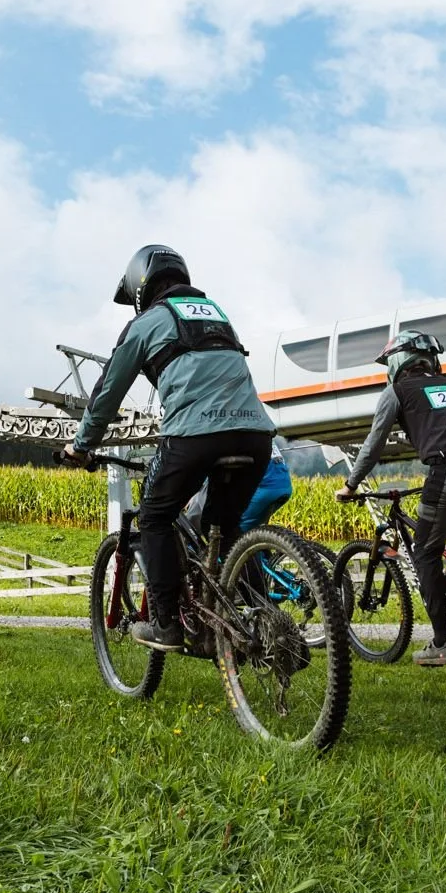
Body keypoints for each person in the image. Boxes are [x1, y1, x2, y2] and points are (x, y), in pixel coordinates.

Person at [62, 245, 275, 651]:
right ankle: (263, 621)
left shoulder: (146, 323)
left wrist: (81, 445)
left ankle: (166, 624)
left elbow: (108, 392)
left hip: (195, 436)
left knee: (155, 517)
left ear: (140, 286)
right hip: (256, 435)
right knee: (224, 526)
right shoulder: (217, 314)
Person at [337, 330, 446, 667]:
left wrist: (351, 485)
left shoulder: (396, 391)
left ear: (396, 361)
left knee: (425, 552)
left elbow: (373, 446)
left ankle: (441, 644)